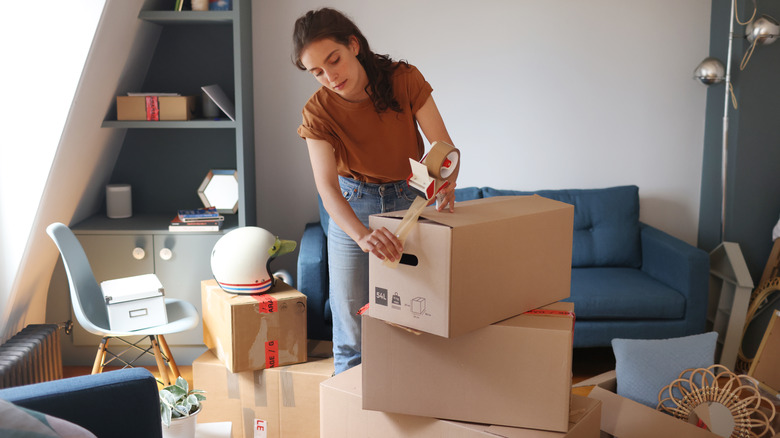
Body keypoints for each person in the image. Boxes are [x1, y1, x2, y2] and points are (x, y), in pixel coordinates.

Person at [293, 7, 457, 374]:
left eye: (333, 60)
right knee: (351, 332)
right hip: (354, 203)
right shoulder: (317, 113)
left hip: (410, 196)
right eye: (316, 72)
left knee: (420, 317)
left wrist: (446, 178)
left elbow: (441, 146)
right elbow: (326, 186)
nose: (329, 76)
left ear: (353, 45)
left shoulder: (404, 79)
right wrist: (363, 236)